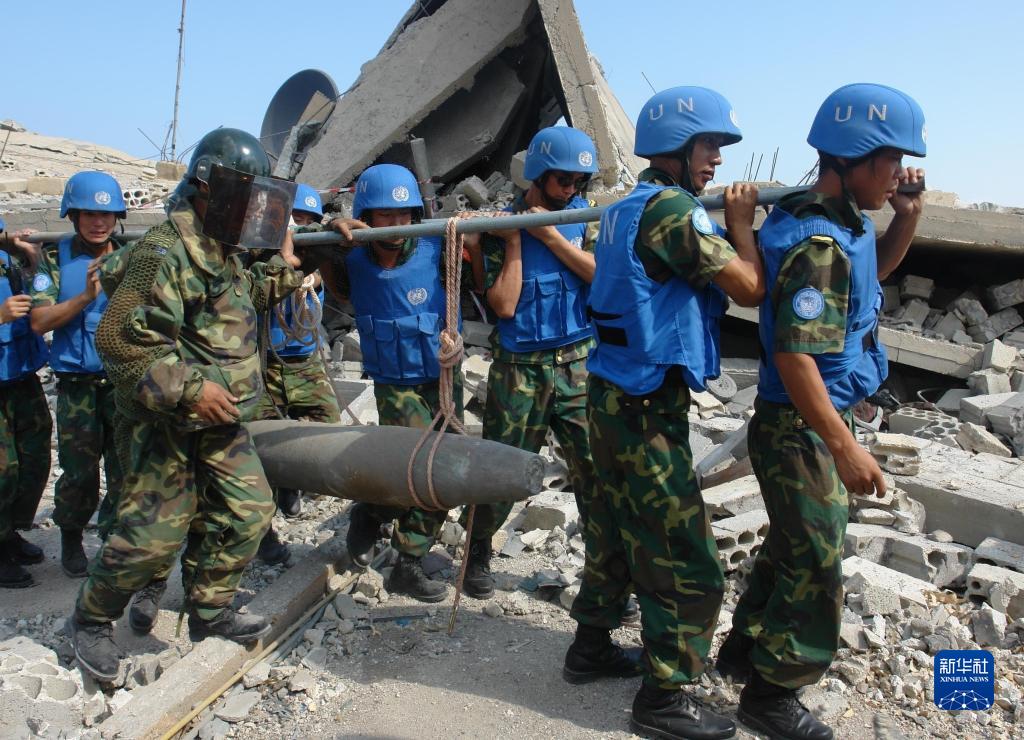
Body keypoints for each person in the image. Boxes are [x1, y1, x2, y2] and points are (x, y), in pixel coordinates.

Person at [716, 83, 926, 740]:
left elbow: (870, 278)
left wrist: (908, 218)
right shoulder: (818, 243)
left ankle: (744, 651)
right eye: (891, 161)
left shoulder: (846, 223)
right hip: (801, 426)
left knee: (790, 542)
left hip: (812, 420)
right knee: (815, 559)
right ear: (856, 157)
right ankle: (772, 696)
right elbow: (795, 358)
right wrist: (844, 446)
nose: (897, 175)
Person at [67, 128, 305, 682]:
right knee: (151, 541)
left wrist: (288, 267)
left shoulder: (220, 247)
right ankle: (91, 620)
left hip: (222, 421)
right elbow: (119, 340)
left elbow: (238, 305)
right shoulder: (165, 251)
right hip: (168, 423)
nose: (251, 207)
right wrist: (193, 389)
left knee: (248, 513)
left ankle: (209, 608)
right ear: (206, 186)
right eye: (243, 194)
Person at [572, 86, 765, 740]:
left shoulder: (625, 207)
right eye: (708, 145)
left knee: (614, 527)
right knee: (684, 555)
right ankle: (663, 698)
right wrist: (742, 226)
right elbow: (748, 288)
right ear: (676, 148)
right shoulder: (674, 212)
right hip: (644, 405)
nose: (717, 159)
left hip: (610, 390)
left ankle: (590, 647)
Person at [465, 126, 612, 616]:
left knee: (594, 471)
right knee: (503, 467)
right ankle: (478, 552)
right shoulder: (501, 227)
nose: (571, 189)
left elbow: (601, 277)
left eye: (578, 181)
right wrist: (514, 243)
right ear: (538, 175)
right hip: (520, 370)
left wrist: (548, 233)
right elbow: (504, 305)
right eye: (563, 180)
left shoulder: (584, 219)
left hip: (579, 366)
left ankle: (606, 574)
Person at [338, 164, 469, 603]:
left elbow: (479, 257)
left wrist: (475, 225)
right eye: (385, 215)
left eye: (404, 214)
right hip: (395, 386)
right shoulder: (351, 258)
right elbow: (306, 250)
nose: (396, 224)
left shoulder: (437, 245)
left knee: (443, 470)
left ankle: (383, 522)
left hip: (443, 378)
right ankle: (401, 552)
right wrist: (333, 228)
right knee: (425, 470)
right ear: (366, 216)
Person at [29, 172, 126, 577]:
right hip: (77, 387)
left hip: (121, 385)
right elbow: (39, 321)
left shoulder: (131, 258)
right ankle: (71, 536)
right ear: (73, 216)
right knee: (79, 472)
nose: (98, 222)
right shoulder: (54, 260)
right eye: (89, 214)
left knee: (124, 469)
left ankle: (114, 541)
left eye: (106, 214)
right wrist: (86, 296)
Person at [252, 183, 341, 566]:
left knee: (328, 425)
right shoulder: (259, 260)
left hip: (304, 360)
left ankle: (293, 483)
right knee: (258, 448)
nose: (298, 226)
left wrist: (310, 276)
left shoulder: (314, 261)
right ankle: (263, 534)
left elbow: (326, 278)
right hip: (264, 363)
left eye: (306, 219)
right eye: (292, 218)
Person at [0, 219, 52, 588]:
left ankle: (9, 531)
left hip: (19, 371)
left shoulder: (7, 258)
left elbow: (42, 294)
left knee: (34, 455)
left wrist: (32, 261)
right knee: (3, 469)